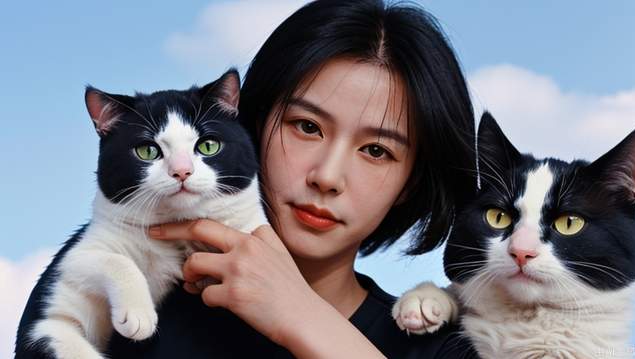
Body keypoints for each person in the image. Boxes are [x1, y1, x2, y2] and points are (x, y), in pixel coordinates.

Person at [108, 0, 479, 357]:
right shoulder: (127, 306)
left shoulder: (448, 348)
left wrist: (302, 315)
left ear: (410, 183)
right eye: (307, 127)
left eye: (376, 151)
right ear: (253, 124)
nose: (328, 177)